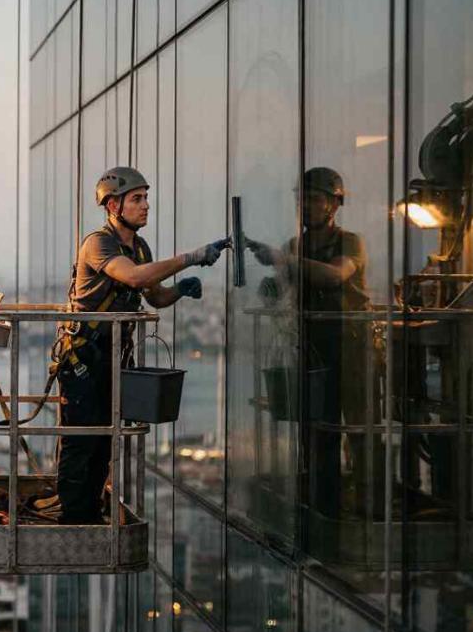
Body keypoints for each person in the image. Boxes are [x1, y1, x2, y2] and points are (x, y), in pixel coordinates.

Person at [55, 167, 227, 525]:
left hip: (113, 356)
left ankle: (89, 511)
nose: (145, 205)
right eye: (137, 199)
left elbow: (155, 295)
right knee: (82, 437)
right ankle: (74, 515)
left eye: (145, 198)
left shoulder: (140, 248)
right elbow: (133, 277)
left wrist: (179, 290)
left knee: (106, 439)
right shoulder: (98, 243)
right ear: (114, 205)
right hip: (83, 355)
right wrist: (189, 258)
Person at [248, 166, 379, 520]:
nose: (306, 205)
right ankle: (326, 505)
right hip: (313, 347)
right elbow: (289, 288)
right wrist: (274, 286)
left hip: (351, 345)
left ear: (334, 205)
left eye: (315, 199)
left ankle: (369, 506)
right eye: (301, 198)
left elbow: (335, 275)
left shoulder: (349, 242)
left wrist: (283, 260)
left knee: (359, 428)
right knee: (317, 431)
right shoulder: (296, 246)